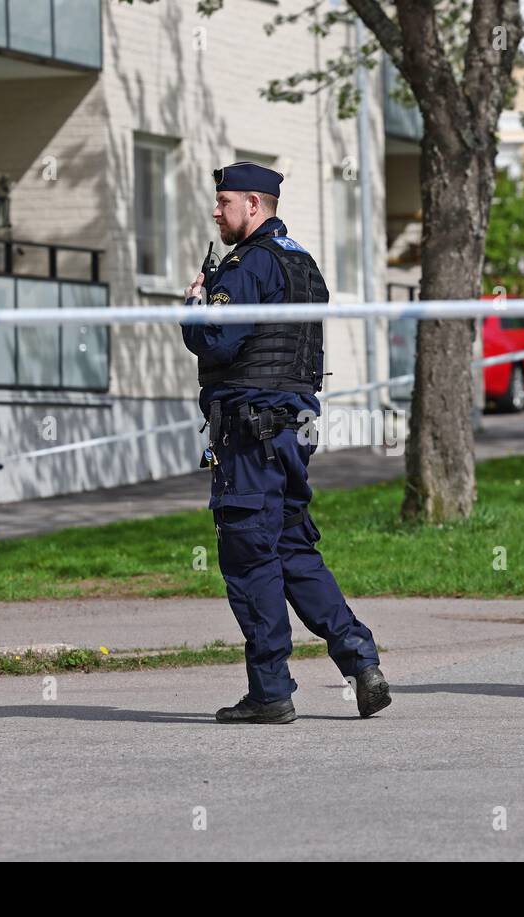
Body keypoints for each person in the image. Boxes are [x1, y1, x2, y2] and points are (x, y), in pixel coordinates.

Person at [180, 161, 390, 724]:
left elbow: (217, 343)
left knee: (250, 557)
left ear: (254, 204)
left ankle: (270, 690)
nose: (217, 212)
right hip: (293, 431)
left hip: (251, 438)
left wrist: (193, 309)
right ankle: (360, 660)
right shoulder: (303, 264)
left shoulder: (246, 267)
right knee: (293, 550)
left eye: (225, 203)